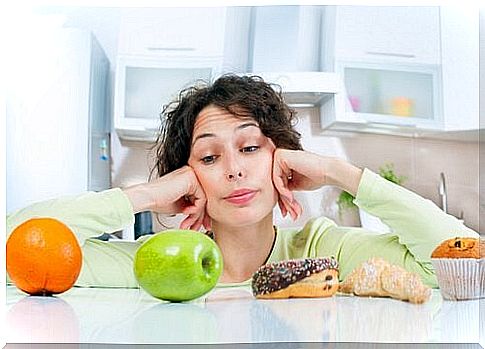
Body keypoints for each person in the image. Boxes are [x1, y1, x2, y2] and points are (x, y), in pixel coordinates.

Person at [6, 75, 478, 288]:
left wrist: (338, 172)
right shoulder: (155, 267)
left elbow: (464, 264)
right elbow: (15, 247)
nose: (233, 168)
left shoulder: (325, 252)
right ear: (188, 180)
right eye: (209, 157)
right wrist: (145, 196)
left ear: (284, 165)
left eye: (251, 148)